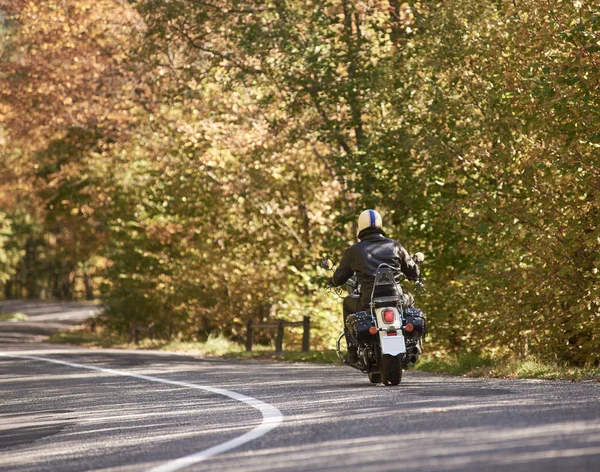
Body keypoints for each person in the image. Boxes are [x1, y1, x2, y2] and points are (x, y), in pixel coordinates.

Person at [331, 209, 420, 363]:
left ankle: (351, 350)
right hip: (396, 298)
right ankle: (416, 344)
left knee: (347, 302)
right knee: (410, 299)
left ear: (360, 226)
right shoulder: (395, 246)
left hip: (368, 301)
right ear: (380, 224)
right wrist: (415, 275)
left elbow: (340, 276)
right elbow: (413, 271)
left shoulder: (354, 251)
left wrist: (332, 282)